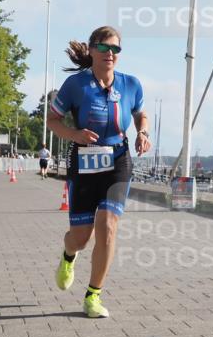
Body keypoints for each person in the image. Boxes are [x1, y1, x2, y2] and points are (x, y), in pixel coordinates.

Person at [46, 26, 151, 318]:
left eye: (115, 49)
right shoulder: (75, 85)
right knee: (81, 238)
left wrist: (143, 131)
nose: (110, 54)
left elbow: (141, 113)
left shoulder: (131, 84)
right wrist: (74, 134)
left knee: (107, 228)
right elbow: (52, 119)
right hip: (84, 163)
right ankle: (69, 257)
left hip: (117, 161)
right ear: (92, 50)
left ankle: (93, 296)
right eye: (104, 48)